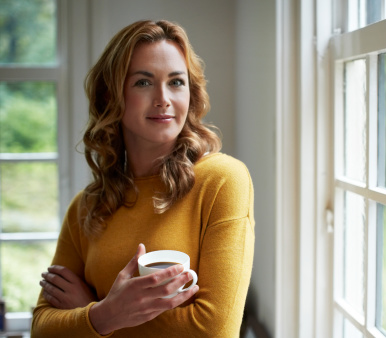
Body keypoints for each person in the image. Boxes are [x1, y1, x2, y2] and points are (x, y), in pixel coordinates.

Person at [31, 19, 255, 337]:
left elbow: (214, 330)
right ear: (111, 96)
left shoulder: (222, 181)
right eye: (143, 82)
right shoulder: (85, 207)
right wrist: (105, 314)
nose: (163, 98)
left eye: (176, 82)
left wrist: (99, 313)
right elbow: (41, 328)